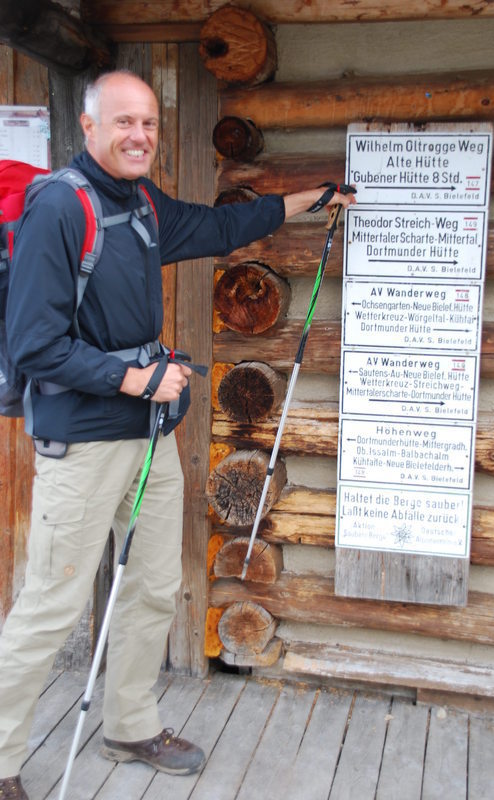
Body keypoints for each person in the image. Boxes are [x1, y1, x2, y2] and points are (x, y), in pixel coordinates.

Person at [0, 70, 355, 799]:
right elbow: (33, 345)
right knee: (51, 603)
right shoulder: (59, 209)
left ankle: (129, 724)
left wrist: (303, 202)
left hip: (150, 435)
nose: (139, 136)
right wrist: (137, 379)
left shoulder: (143, 207)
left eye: (149, 124)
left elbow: (222, 226)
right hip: (84, 440)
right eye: (123, 122)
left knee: (154, 586)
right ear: (89, 129)